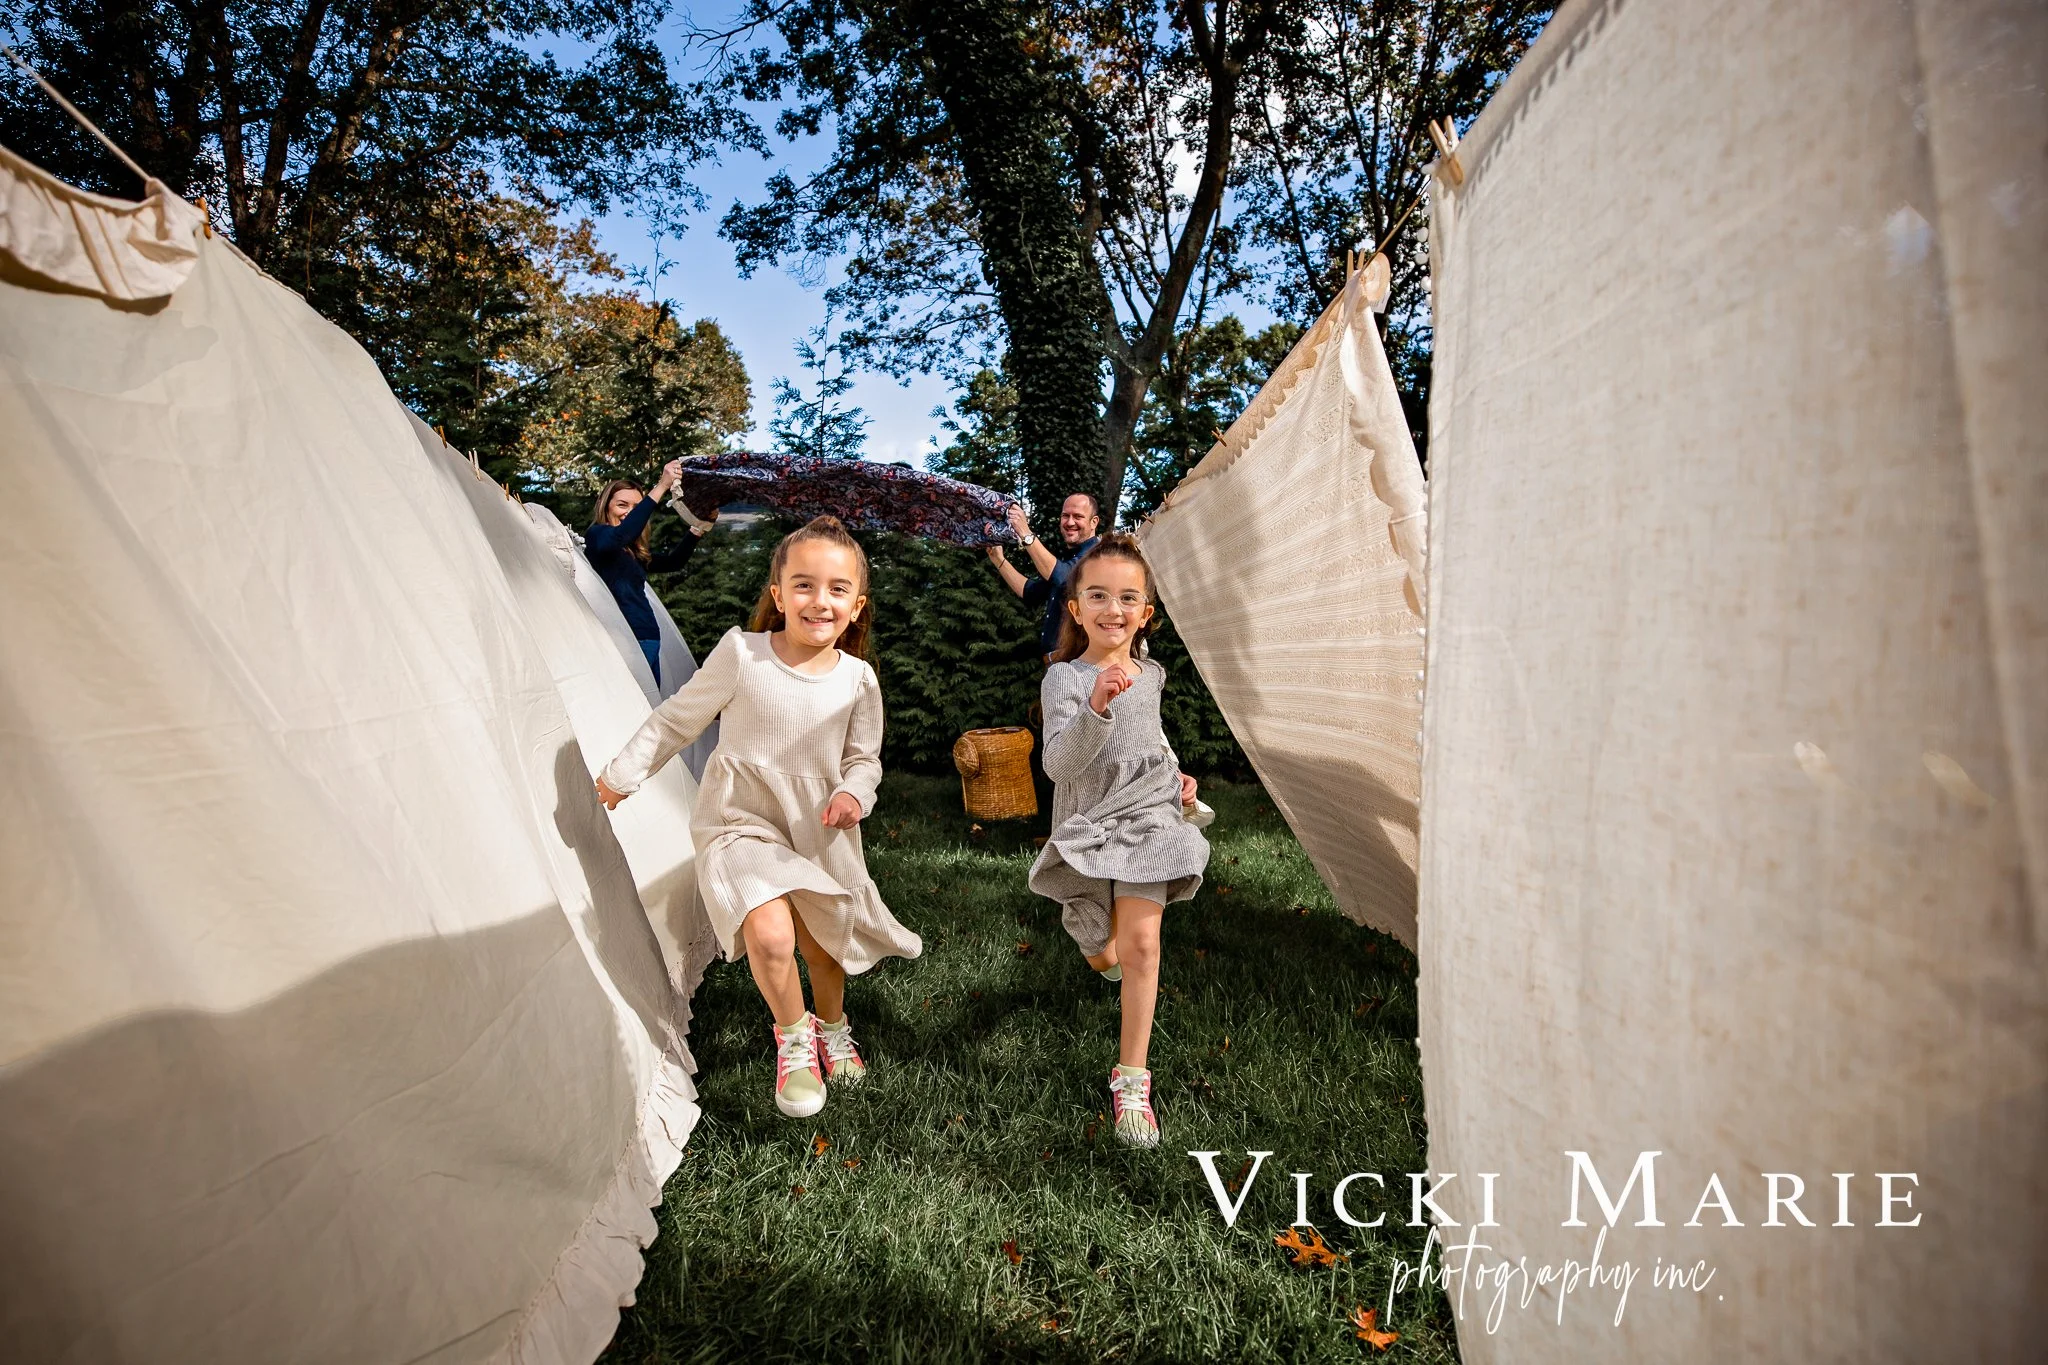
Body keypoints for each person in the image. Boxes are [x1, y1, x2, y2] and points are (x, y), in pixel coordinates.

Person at [594, 516, 919, 1119]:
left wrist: (855, 793)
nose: (819, 600)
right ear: (778, 595)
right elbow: (677, 719)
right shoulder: (743, 654)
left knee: (822, 950)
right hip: (740, 822)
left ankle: (832, 1025)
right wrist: (619, 777)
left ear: (856, 606)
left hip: (821, 830)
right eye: (803, 585)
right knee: (771, 933)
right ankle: (794, 1040)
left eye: (837, 589)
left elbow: (864, 760)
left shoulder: (857, 680)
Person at [1028, 534, 1209, 1148]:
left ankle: (1132, 1078)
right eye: (1098, 595)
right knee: (1101, 946)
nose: (1114, 608)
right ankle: (1098, 948)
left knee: (1142, 945)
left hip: (1151, 816)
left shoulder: (1151, 673)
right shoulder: (1065, 681)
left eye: (1128, 598)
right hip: (1091, 817)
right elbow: (1058, 766)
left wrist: (1177, 777)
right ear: (1076, 609)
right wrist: (1096, 709)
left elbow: (1152, 740)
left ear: (1145, 614)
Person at [585, 462, 717, 687]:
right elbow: (620, 536)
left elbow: (674, 562)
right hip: (625, 639)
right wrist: (662, 485)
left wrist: (699, 527)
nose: (630, 512)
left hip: (648, 638)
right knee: (630, 706)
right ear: (606, 507)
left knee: (649, 706)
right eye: (622, 505)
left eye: (636, 507)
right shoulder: (598, 536)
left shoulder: (633, 552)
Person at [984, 494, 1102, 664]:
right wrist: (998, 559)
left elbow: (1063, 578)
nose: (1069, 522)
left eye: (1078, 516)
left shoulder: (1097, 556)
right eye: (1065, 516)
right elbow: (1030, 592)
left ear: (1094, 522)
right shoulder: (1071, 558)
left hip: (1077, 666)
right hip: (1057, 665)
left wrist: (1025, 533)